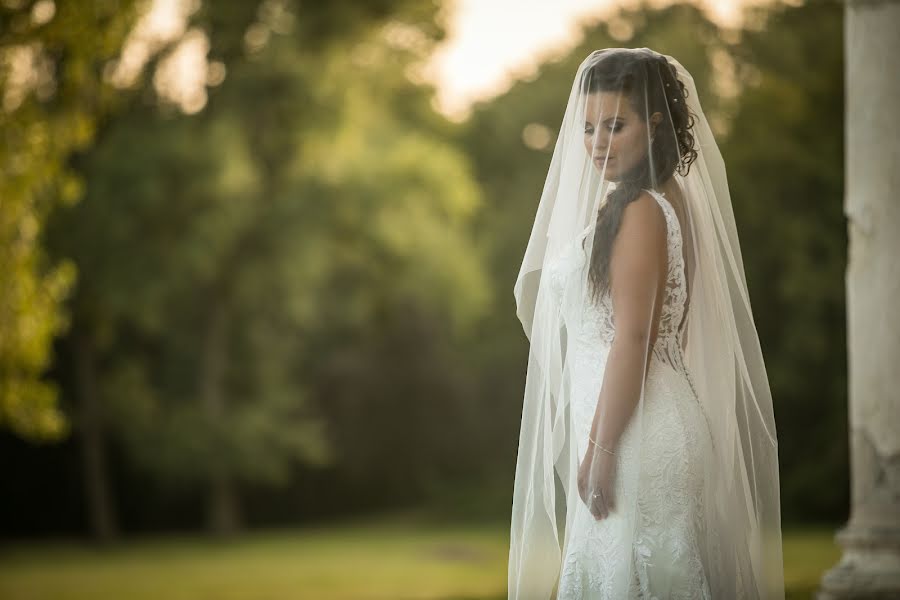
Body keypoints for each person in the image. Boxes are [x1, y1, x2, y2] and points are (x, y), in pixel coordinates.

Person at [509, 48, 785, 599]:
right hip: (646, 418)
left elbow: (634, 338)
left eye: (615, 125)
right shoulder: (661, 200)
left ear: (653, 124)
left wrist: (601, 449)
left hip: (637, 436)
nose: (598, 143)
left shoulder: (641, 211)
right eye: (588, 129)